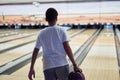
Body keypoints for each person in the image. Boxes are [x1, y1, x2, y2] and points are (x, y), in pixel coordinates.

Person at [28, 8, 82, 80]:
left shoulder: (41, 33)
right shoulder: (62, 30)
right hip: (62, 64)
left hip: (48, 66)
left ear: (46, 19)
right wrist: (75, 65)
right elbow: (67, 47)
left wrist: (31, 68)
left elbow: (36, 51)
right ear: (57, 18)